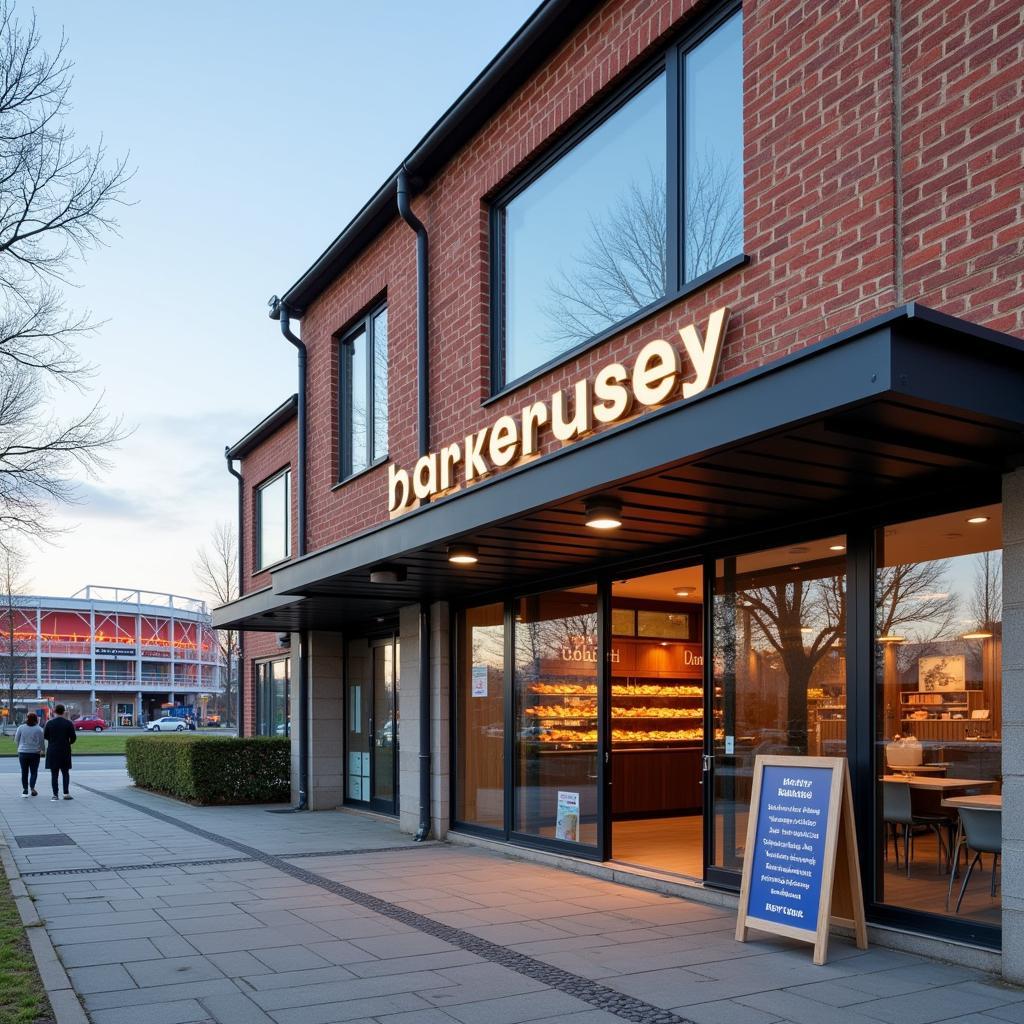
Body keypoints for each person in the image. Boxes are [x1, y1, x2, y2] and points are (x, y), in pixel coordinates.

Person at [43, 704, 76, 801]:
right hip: (65, 750)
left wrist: (52, 741)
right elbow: (73, 737)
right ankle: (66, 793)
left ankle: (55, 794)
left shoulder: (49, 723)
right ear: (64, 711)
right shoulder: (68, 723)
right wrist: (68, 743)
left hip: (53, 750)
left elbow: (45, 736)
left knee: (54, 774)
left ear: (54, 711)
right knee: (65, 772)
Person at [14, 712, 44, 797]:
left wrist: (19, 747)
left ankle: (25, 789)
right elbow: (41, 742)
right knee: (34, 772)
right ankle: (32, 788)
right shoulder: (39, 729)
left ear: (27, 718)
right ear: (36, 719)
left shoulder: (21, 727)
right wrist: (43, 750)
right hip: (35, 753)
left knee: (24, 772)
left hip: (23, 752)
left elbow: (16, 739)